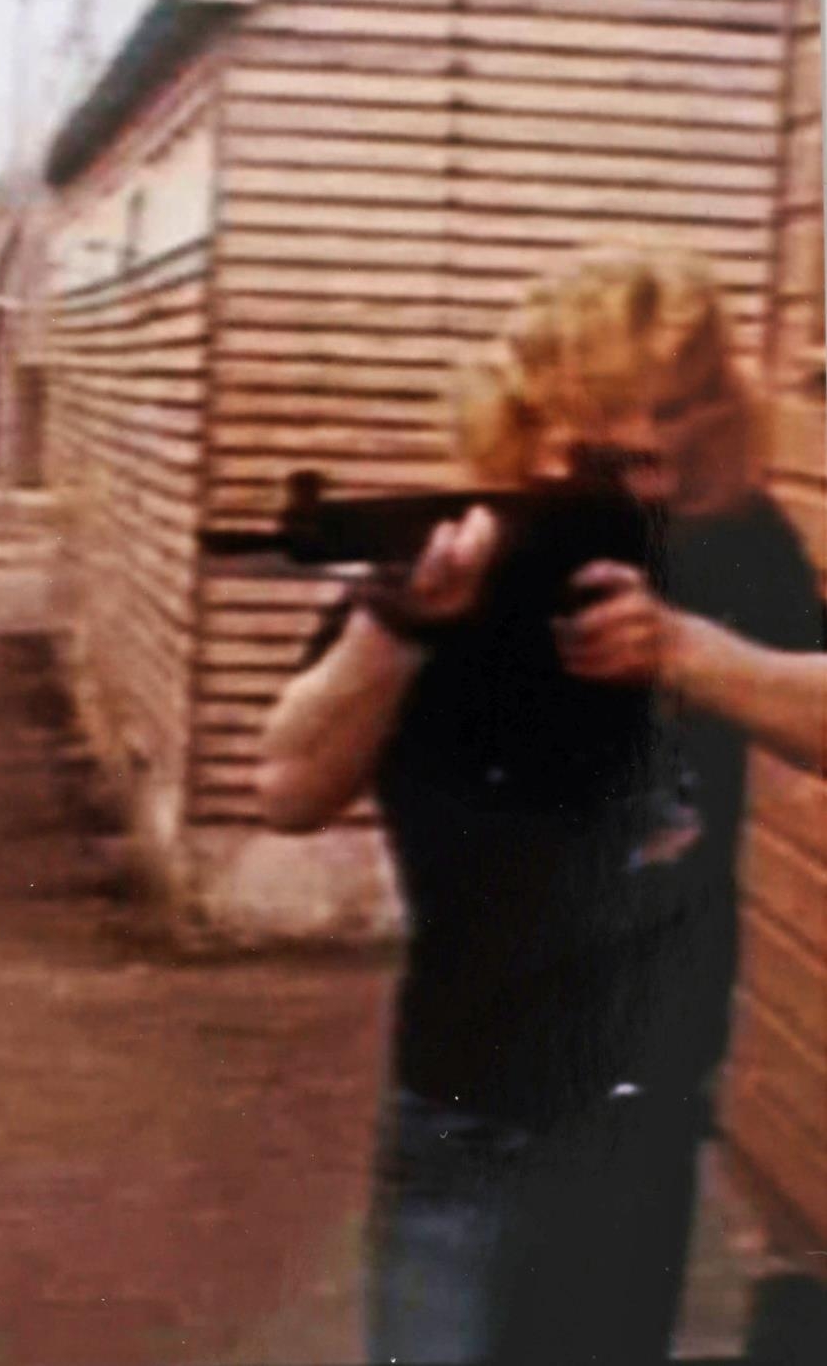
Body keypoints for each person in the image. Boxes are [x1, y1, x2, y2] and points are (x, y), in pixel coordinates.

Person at [257, 247, 827, 1366]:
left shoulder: (731, 544)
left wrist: (688, 651)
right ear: (529, 425)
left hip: (646, 1112)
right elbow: (286, 789)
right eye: (596, 450)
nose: (634, 481)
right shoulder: (455, 552)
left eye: (661, 444)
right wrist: (398, 631)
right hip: (470, 1105)